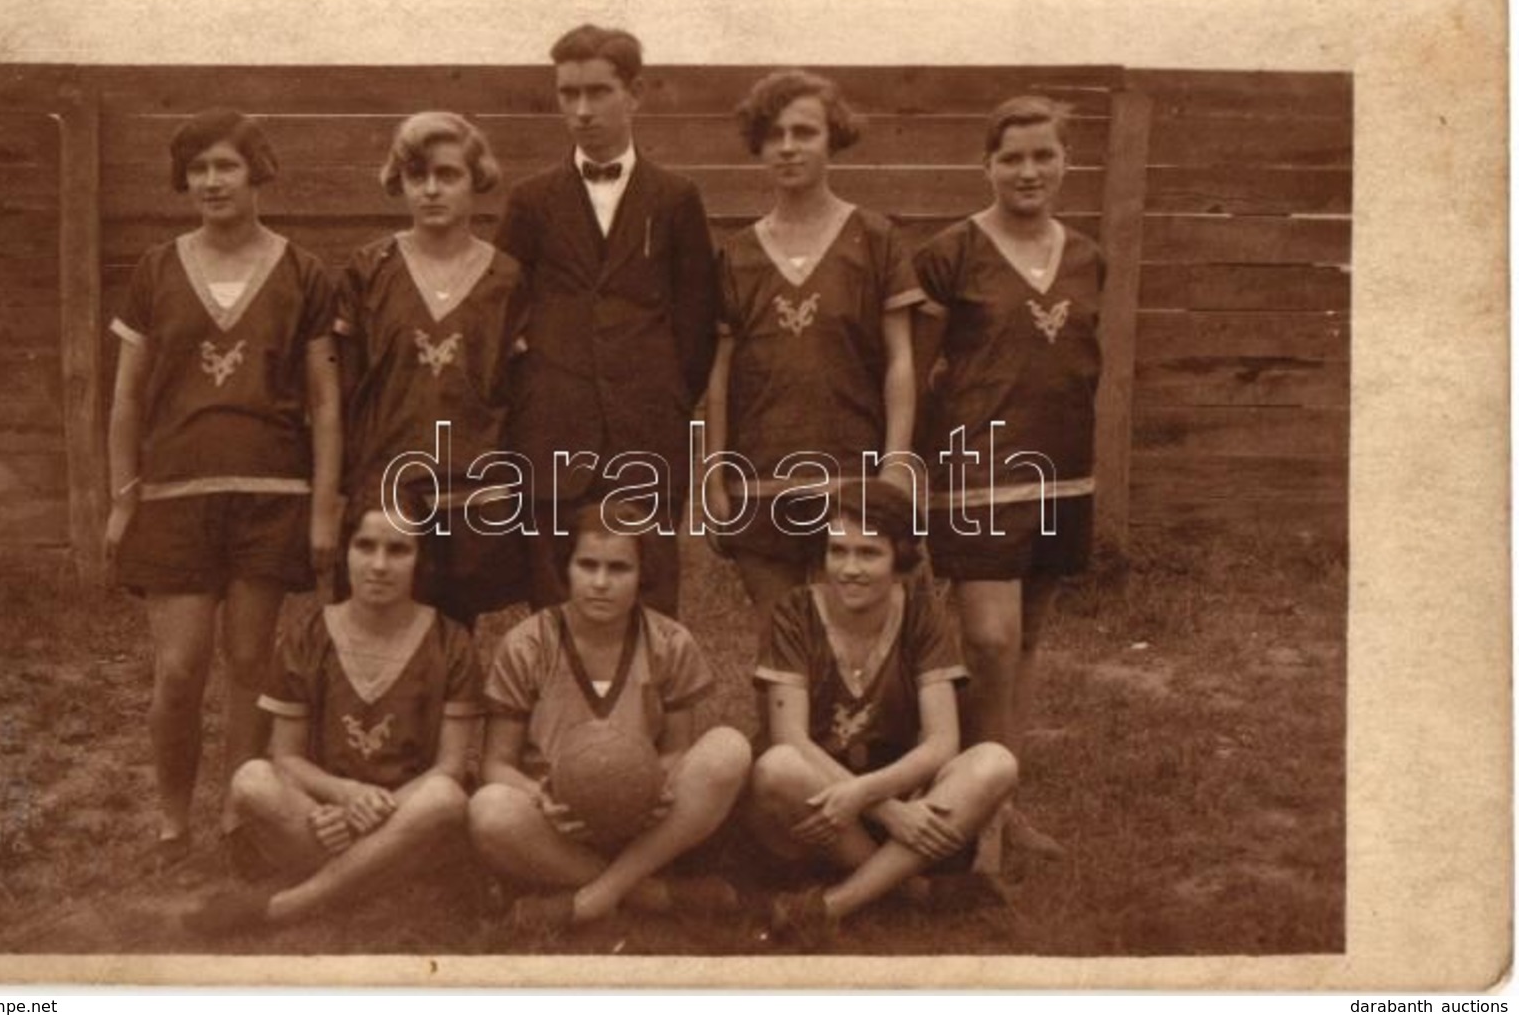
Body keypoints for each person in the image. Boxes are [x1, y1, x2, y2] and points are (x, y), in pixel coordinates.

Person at [104, 108, 341, 860]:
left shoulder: (304, 271)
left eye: (225, 166)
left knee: (249, 665)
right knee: (178, 671)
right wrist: (122, 497)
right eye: (198, 168)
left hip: (271, 494)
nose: (211, 181)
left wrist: (324, 508)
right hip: (175, 495)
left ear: (256, 172)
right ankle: (172, 821)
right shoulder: (155, 268)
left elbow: (326, 401)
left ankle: (239, 818)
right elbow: (127, 398)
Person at [912, 96, 1105, 865]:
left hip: (1060, 467)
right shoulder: (948, 253)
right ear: (985, 165)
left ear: (1066, 163)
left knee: (1026, 642)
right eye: (1011, 157)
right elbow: (918, 370)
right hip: (976, 472)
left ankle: (1000, 800)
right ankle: (973, 813)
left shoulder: (1089, 254)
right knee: (987, 640)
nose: (1027, 171)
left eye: (1043, 156)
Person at [494, 23, 722, 616]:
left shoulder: (676, 198)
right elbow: (502, 314)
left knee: (647, 600)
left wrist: (664, 394)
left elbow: (697, 325)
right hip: (553, 438)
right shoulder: (530, 201)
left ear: (636, 93)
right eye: (568, 94)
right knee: (554, 603)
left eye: (597, 92)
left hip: (645, 436)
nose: (582, 110)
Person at [183, 506, 479, 934]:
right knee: (250, 779)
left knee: (445, 798)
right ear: (345, 554)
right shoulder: (309, 636)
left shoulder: (450, 641)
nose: (379, 564)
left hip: (407, 811)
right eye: (365, 546)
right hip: (327, 813)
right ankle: (379, 875)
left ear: (422, 560)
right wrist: (345, 796)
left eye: (398, 550)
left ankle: (290, 905)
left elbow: (450, 767)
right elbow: (285, 757)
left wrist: (376, 812)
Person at [746, 479, 1017, 946]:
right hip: (823, 798)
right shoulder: (794, 612)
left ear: (900, 560)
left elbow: (941, 742)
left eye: (868, 553)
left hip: (897, 783)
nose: (849, 569)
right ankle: (912, 888)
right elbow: (790, 737)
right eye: (838, 551)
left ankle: (834, 904)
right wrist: (885, 811)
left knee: (995, 762)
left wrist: (877, 795)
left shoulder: (918, 613)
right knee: (777, 767)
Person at [468, 502, 752, 931]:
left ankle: (590, 899)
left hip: (642, 816)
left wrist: (649, 788)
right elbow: (495, 764)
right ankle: (654, 894)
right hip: (557, 817)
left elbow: (677, 750)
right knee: (488, 810)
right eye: (587, 565)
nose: (601, 583)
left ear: (643, 575)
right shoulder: (527, 645)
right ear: (566, 568)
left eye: (619, 569)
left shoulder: (670, 643)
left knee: (728, 748)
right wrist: (539, 797)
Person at [704, 69, 922, 620]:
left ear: (833, 138)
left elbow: (901, 360)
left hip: (853, 477)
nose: (788, 147)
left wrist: (896, 462)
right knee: (779, 646)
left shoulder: (873, 238)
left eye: (804, 132)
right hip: (760, 478)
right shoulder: (738, 254)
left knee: (851, 644)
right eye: (774, 134)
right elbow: (720, 375)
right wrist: (712, 473)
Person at [336, 111, 529, 626]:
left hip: (472, 489)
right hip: (388, 486)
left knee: (455, 644)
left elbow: (516, 394)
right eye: (416, 176)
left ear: (476, 180)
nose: (431, 190)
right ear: (398, 182)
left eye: (448, 175)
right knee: (385, 639)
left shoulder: (506, 278)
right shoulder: (370, 268)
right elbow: (345, 389)